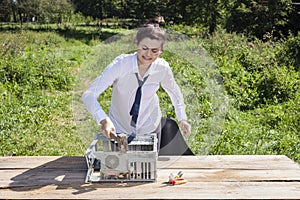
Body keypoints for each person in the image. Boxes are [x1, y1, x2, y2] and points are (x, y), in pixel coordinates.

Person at [82, 23, 194, 155]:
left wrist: (182, 118)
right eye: (144, 48)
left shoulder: (162, 68)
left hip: (150, 126)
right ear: (137, 44)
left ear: (161, 50)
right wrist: (103, 120)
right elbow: (89, 95)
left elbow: (175, 93)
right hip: (120, 127)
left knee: (148, 169)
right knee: (123, 171)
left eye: (154, 51)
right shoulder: (121, 65)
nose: (148, 54)